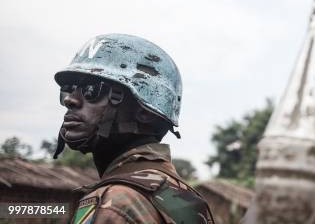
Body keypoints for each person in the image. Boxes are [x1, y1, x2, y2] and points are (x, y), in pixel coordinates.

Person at [53, 33, 215, 224]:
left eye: (92, 90)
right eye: (69, 88)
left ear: (145, 112)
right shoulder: (182, 197)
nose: (70, 100)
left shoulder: (116, 204)